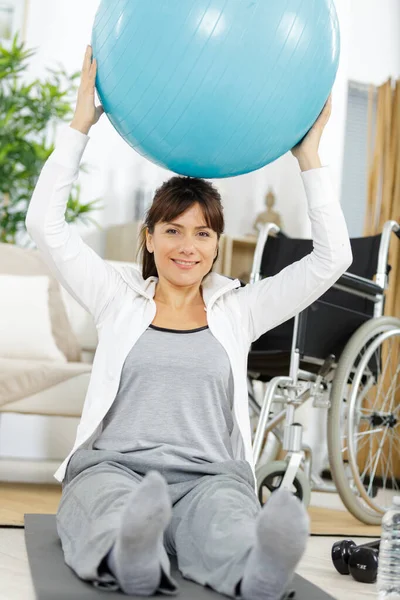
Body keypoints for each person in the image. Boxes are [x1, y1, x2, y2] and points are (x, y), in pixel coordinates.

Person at [25, 45, 352, 600]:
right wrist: (80, 125)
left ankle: (258, 568)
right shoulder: (115, 296)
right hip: (115, 469)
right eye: (172, 230)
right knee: (109, 509)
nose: (187, 246)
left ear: (217, 246)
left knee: (227, 521)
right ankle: (132, 555)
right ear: (149, 239)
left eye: (203, 233)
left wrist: (310, 158)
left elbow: (332, 259)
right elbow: (45, 225)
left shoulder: (240, 309)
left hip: (210, 478)